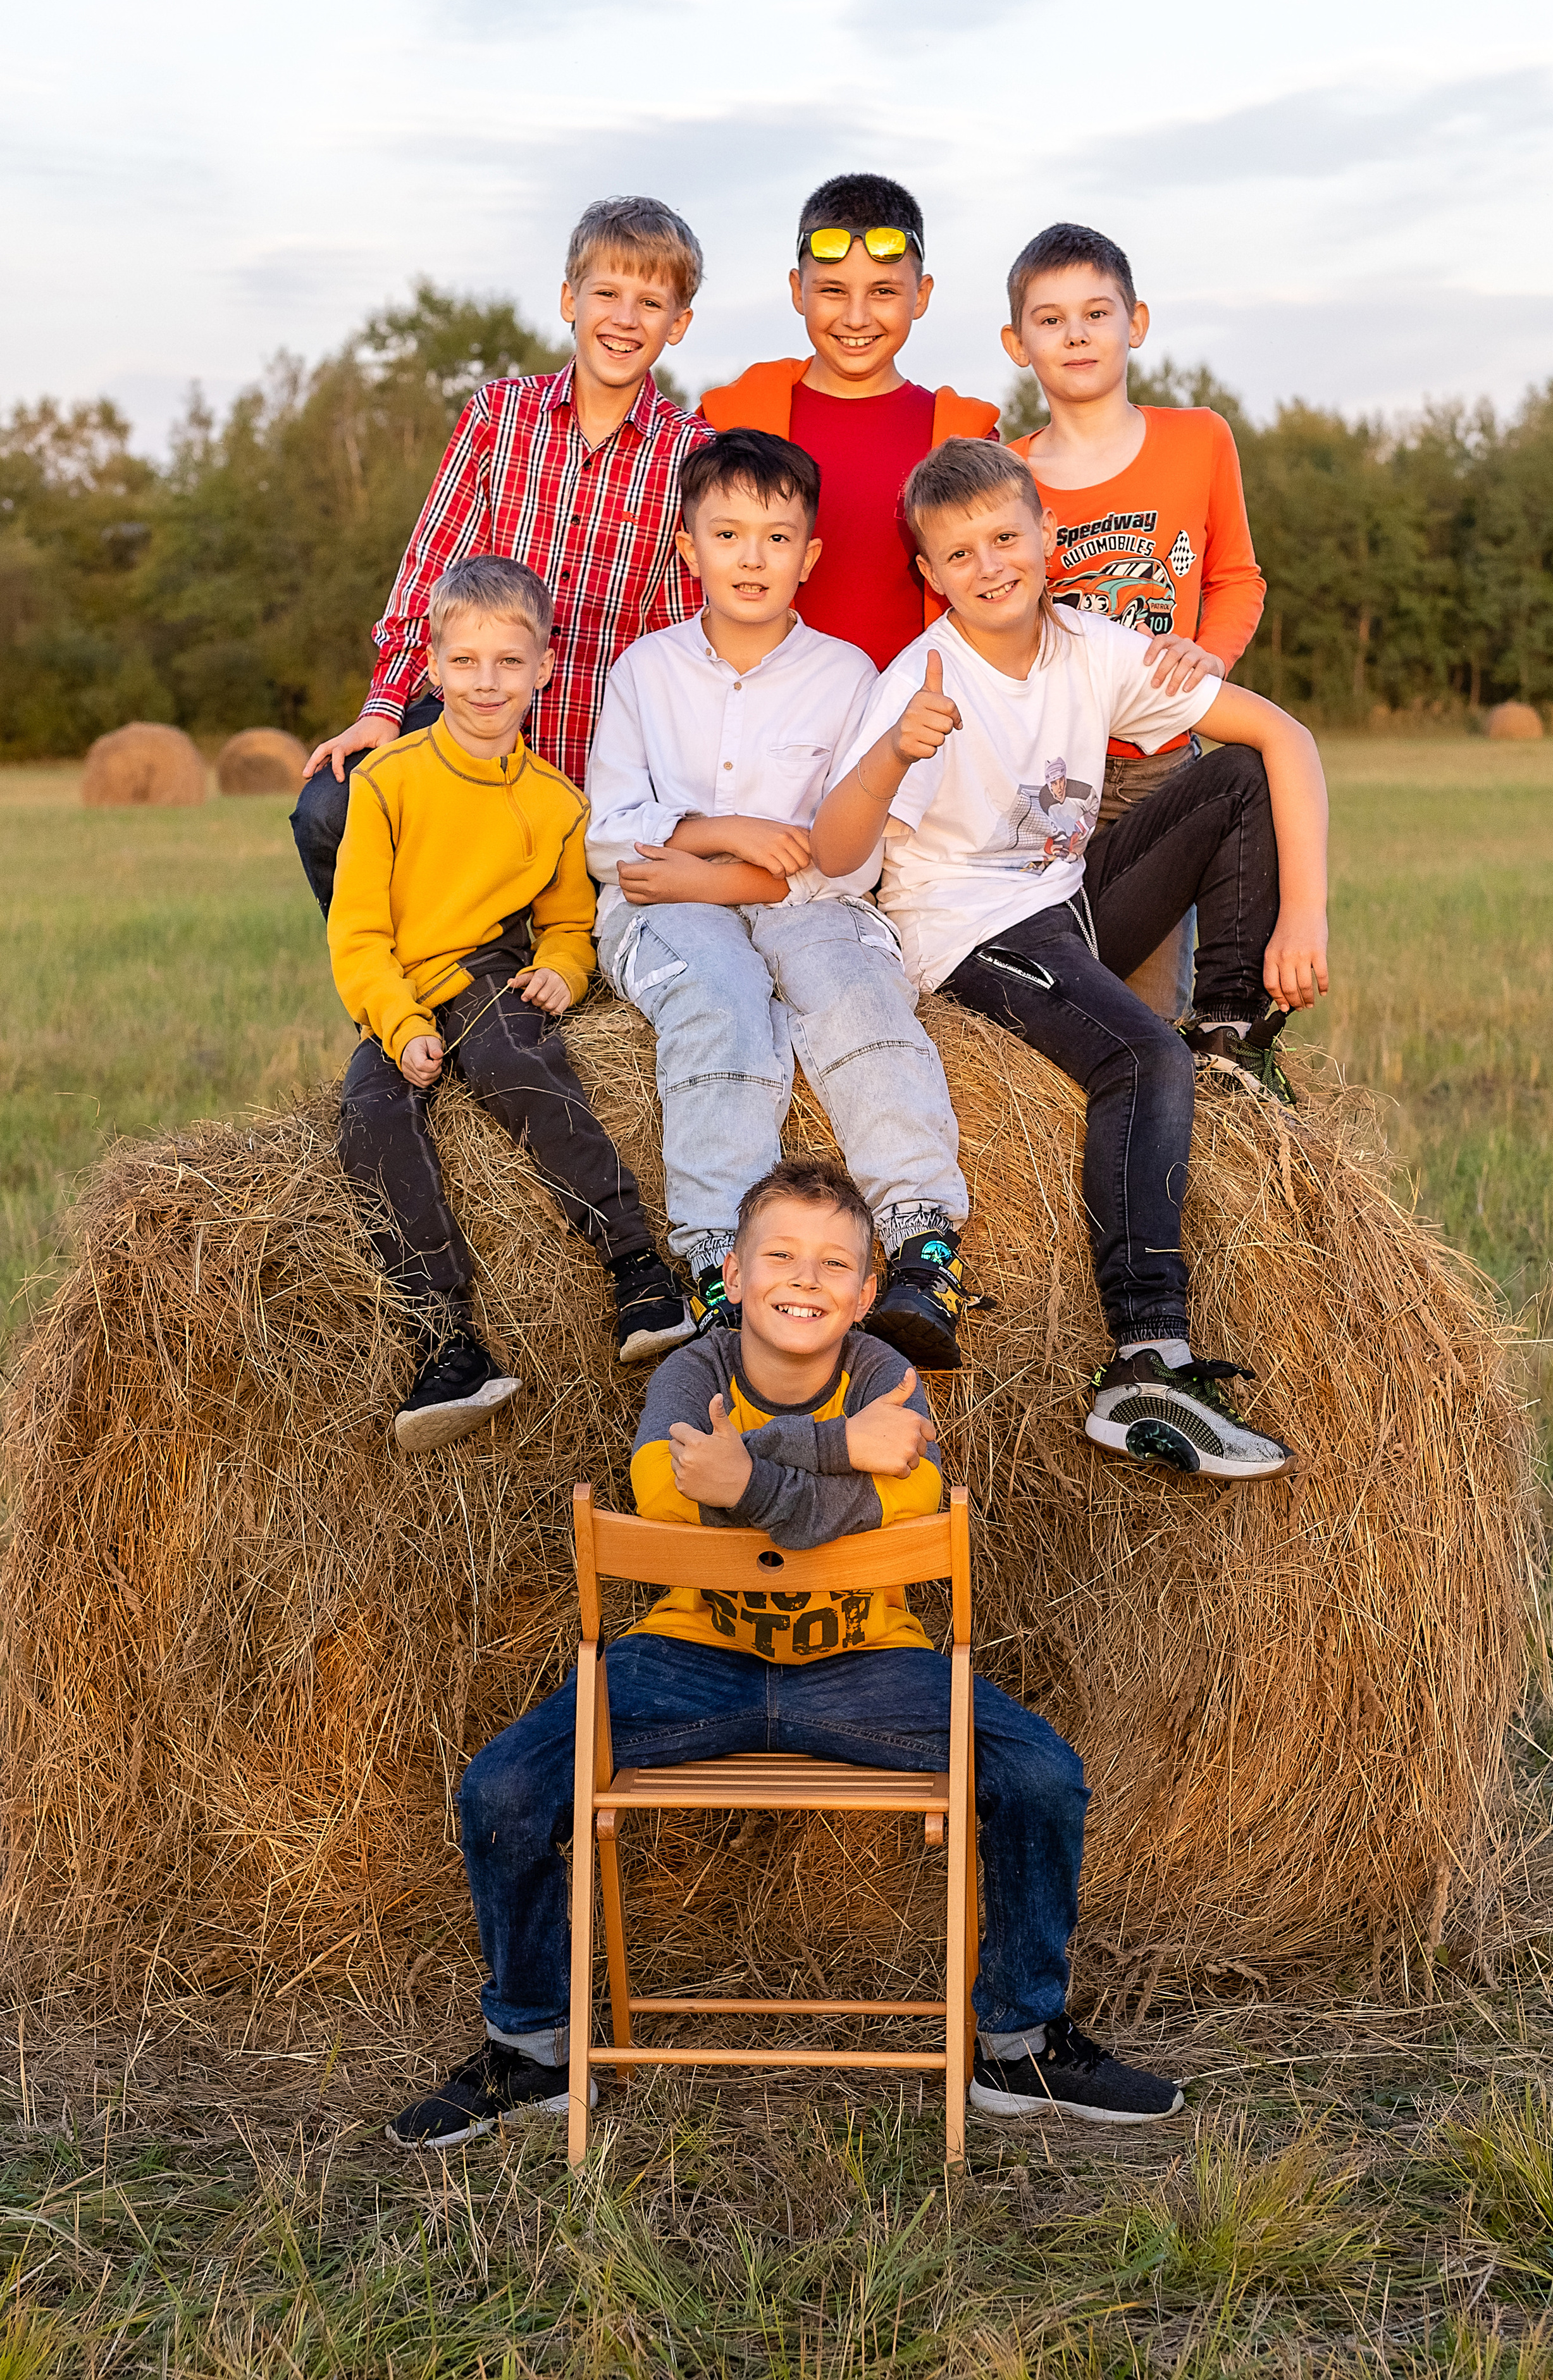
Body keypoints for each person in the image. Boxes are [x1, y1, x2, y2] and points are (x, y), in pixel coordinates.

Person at [385, 1155, 1185, 2149]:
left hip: (868, 1661)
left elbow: (914, 1500)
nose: (804, 1278)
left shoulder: (887, 1374)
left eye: (832, 1264)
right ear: (732, 1271)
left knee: (1041, 1773)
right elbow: (668, 1494)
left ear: (862, 1293)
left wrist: (755, 1477)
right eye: (780, 1255)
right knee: (504, 1786)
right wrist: (840, 1452)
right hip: (687, 1656)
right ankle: (532, 2049)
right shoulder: (694, 1370)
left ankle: (1017, 2044)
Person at [812, 440, 1330, 1483]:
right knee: (1140, 1060)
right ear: (930, 575)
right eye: (959, 554)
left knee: (1233, 777)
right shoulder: (923, 683)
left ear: (1049, 537)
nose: (990, 565)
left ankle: (1230, 1033)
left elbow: (1289, 741)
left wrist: (1302, 917)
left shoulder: (1092, 647)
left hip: (1065, 904)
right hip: (972, 935)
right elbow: (832, 857)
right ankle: (1145, 1359)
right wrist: (894, 753)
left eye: (1007, 537)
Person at [585, 426, 975, 1368]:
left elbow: (844, 864)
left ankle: (923, 1240)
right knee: (719, 1002)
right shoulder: (644, 671)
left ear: (810, 557)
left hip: (807, 902)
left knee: (855, 992)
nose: (750, 558)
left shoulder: (845, 677)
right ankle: (720, 1260)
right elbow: (613, 841)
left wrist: (724, 875)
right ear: (689, 549)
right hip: (664, 910)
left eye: (774, 537)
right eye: (726, 535)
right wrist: (727, 831)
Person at [329, 554, 691, 1454]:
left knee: (512, 1062)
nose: (485, 683)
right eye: (464, 662)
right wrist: (404, 1026)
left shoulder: (556, 804)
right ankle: (445, 1340)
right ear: (433, 668)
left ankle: (637, 1267)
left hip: (491, 970)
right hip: (402, 982)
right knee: (369, 1115)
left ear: (545, 669)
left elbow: (570, 922)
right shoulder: (386, 783)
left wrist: (566, 972)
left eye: (507, 663)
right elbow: (358, 937)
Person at [292, 195, 713, 916]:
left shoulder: (690, 452)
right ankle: (394, 998)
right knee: (330, 809)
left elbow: (684, 630)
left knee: (556, 927)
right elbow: (429, 572)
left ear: (677, 324)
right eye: (606, 293)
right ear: (567, 300)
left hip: (593, 745)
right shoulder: (500, 415)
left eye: (650, 302)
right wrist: (385, 706)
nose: (623, 318)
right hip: (473, 717)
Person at [1002, 223, 1266, 1023]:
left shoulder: (1199, 439)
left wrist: (1210, 658)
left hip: (1156, 766)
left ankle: (1229, 1040)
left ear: (1136, 323)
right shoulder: (1003, 472)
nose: (1076, 334)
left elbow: (1235, 579)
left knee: (1144, 1015)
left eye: (1096, 313)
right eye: (1049, 320)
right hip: (1043, 775)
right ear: (1018, 343)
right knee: (1035, 1023)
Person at [700, 175, 997, 671]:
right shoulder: (729, 422)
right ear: (798, 290)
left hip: (916, 725)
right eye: (833, 290)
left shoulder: (963, 436)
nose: (857, 318)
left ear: (921, 295)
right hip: (755, 722)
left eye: (883, 291)